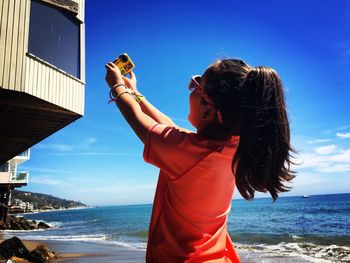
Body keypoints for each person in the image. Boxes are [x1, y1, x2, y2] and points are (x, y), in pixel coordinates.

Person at [105, 58, 295, 263]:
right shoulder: (233, 148)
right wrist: (135, 94)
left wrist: (117, 86)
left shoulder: (188, 152)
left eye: (195, 86)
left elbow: (135, 117)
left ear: (208, 110)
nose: (191, 88)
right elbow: (169, 128)